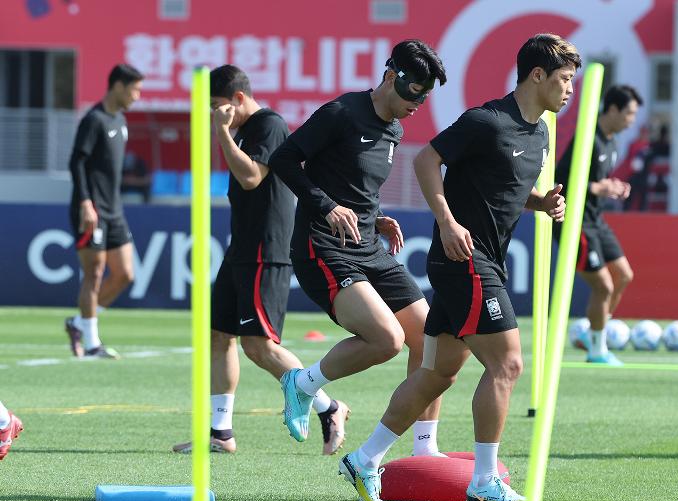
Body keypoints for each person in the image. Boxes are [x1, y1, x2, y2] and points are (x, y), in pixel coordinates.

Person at [339, 33, 576, 501]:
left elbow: (506, 191)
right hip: (465, 259)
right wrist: (447, 222)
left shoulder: (541, 131)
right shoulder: (487, 120)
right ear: (537, 76)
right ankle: (485, 480)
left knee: (439, 373)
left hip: (483, 259)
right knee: (507, 363)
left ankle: (364, 459)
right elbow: (429, 159)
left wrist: (541, 203)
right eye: (565, 79)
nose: (570, 90)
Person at [268, 40, 449, 458]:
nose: (416, 104)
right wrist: (326, 206)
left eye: (424, 97)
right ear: (390, 77)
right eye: (412, 93)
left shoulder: (396, 129)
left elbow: (355, 182)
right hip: (322, 246)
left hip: (369, 244)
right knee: (386, 340)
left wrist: (377, 215)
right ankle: (302, 384)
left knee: (432, 339)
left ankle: (425, 450)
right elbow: (282, 160)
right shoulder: (340, 114)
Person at [172, 65, 349, 456]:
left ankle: (329, 406)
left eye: (218, 106)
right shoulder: (243, 130)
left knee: (260, 346)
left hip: (265, 250)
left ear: (237, 99)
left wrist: (220, 132)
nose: (215, 114)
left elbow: (252, 176)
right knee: (219, 337)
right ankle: (221, 432)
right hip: (242, 247)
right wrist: (225, 131)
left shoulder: (269, 124)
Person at [555, 84, 642, 365]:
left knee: (624, 276)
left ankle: (591, 332)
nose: (632, 120)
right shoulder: (587, 139)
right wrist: (600, 188)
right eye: (629, 113)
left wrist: (613, 187)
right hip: (575, 222)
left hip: (596, 220)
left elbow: (596, 183)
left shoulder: (612, 142)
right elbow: (562, 182)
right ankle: (596, 349)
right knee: (603, 286)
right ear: (613, 109)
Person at [65, 64, 143, 359]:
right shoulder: (94, 120)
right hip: (91, 209)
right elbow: (77, 162)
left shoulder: (120, 120)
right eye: (134, 89)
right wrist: (85, 202)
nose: (137, 96)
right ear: (119, 86)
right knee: (94, 273)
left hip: (114, 210)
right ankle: (93, 343)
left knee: (125, 274)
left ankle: (78, 323)